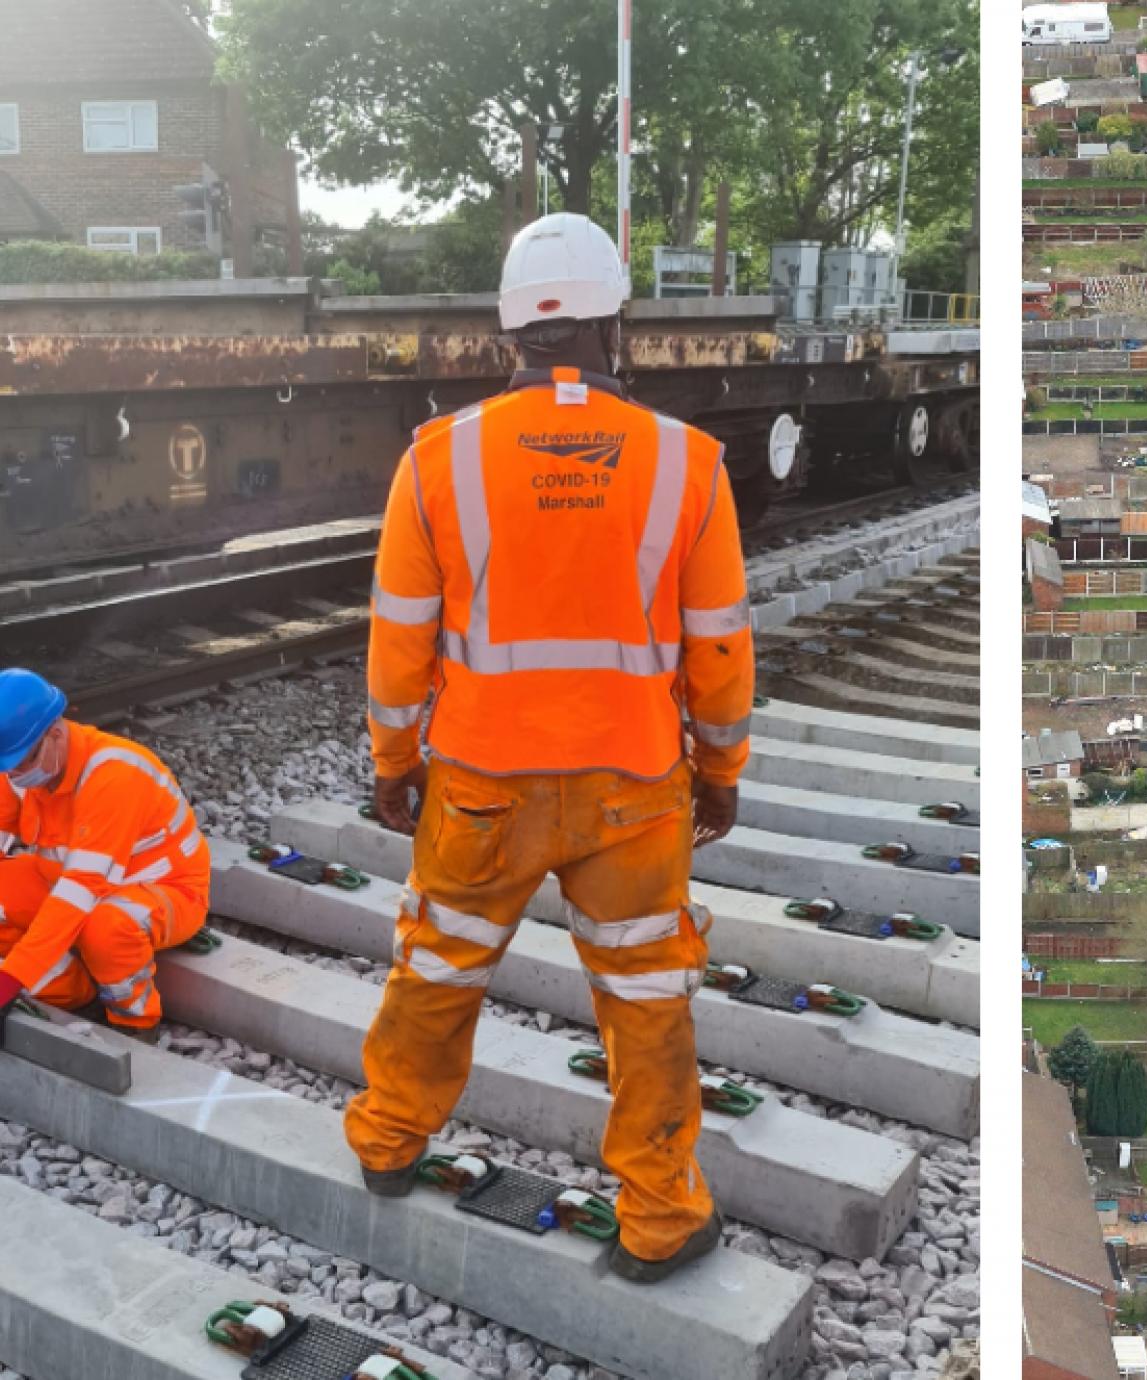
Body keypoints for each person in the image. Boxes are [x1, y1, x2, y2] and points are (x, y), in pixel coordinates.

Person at [341, 212, 755, 1284]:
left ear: (510, 332)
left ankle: (388, 1142)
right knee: (647, 1001)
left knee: (435, 968)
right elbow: (717, 646)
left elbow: (398, 637)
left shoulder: (437, 459)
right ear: (616, 327)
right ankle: (661, 1215)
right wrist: (720, 772)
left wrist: (394, 762)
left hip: (481, 783)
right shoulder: (687, 464)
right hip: (635, 788)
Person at [0, 668, 210, 1038]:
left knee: (107, 926)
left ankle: (135, 1023)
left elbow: (81, 889)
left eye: (21, 763)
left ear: (56, 734)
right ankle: (77, 992)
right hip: (66, 882)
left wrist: (8, 981)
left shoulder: (114, 776)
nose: (14, 775)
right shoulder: (19, 766)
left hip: (165, 891)